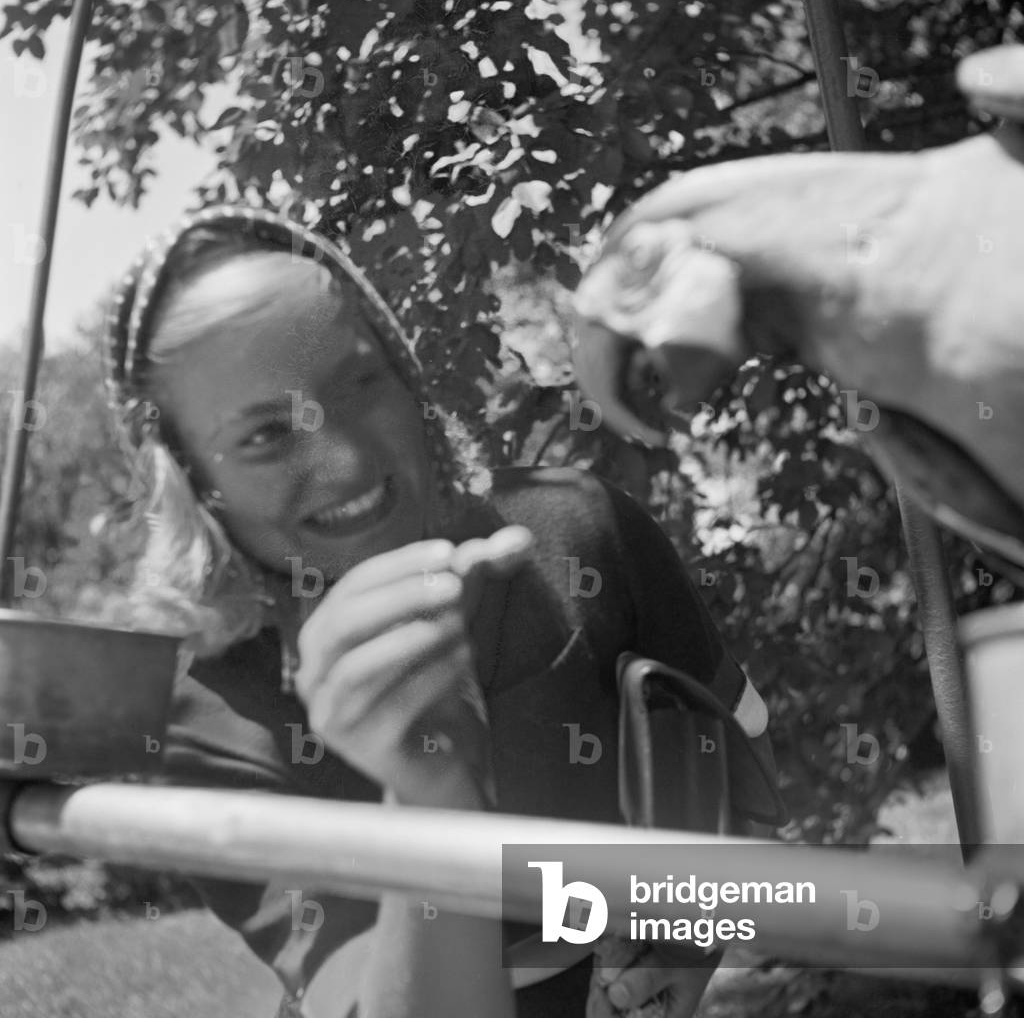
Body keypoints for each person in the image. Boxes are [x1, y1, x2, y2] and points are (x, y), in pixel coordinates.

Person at [102, 204, 786, 1018]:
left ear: (407, 376)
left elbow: (740, 768)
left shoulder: (580, 530)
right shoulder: (207, 715)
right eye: (264, 435)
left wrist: (684, 931)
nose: (348, 460)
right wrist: (431, 795)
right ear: (189, 478)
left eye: (360, 383)